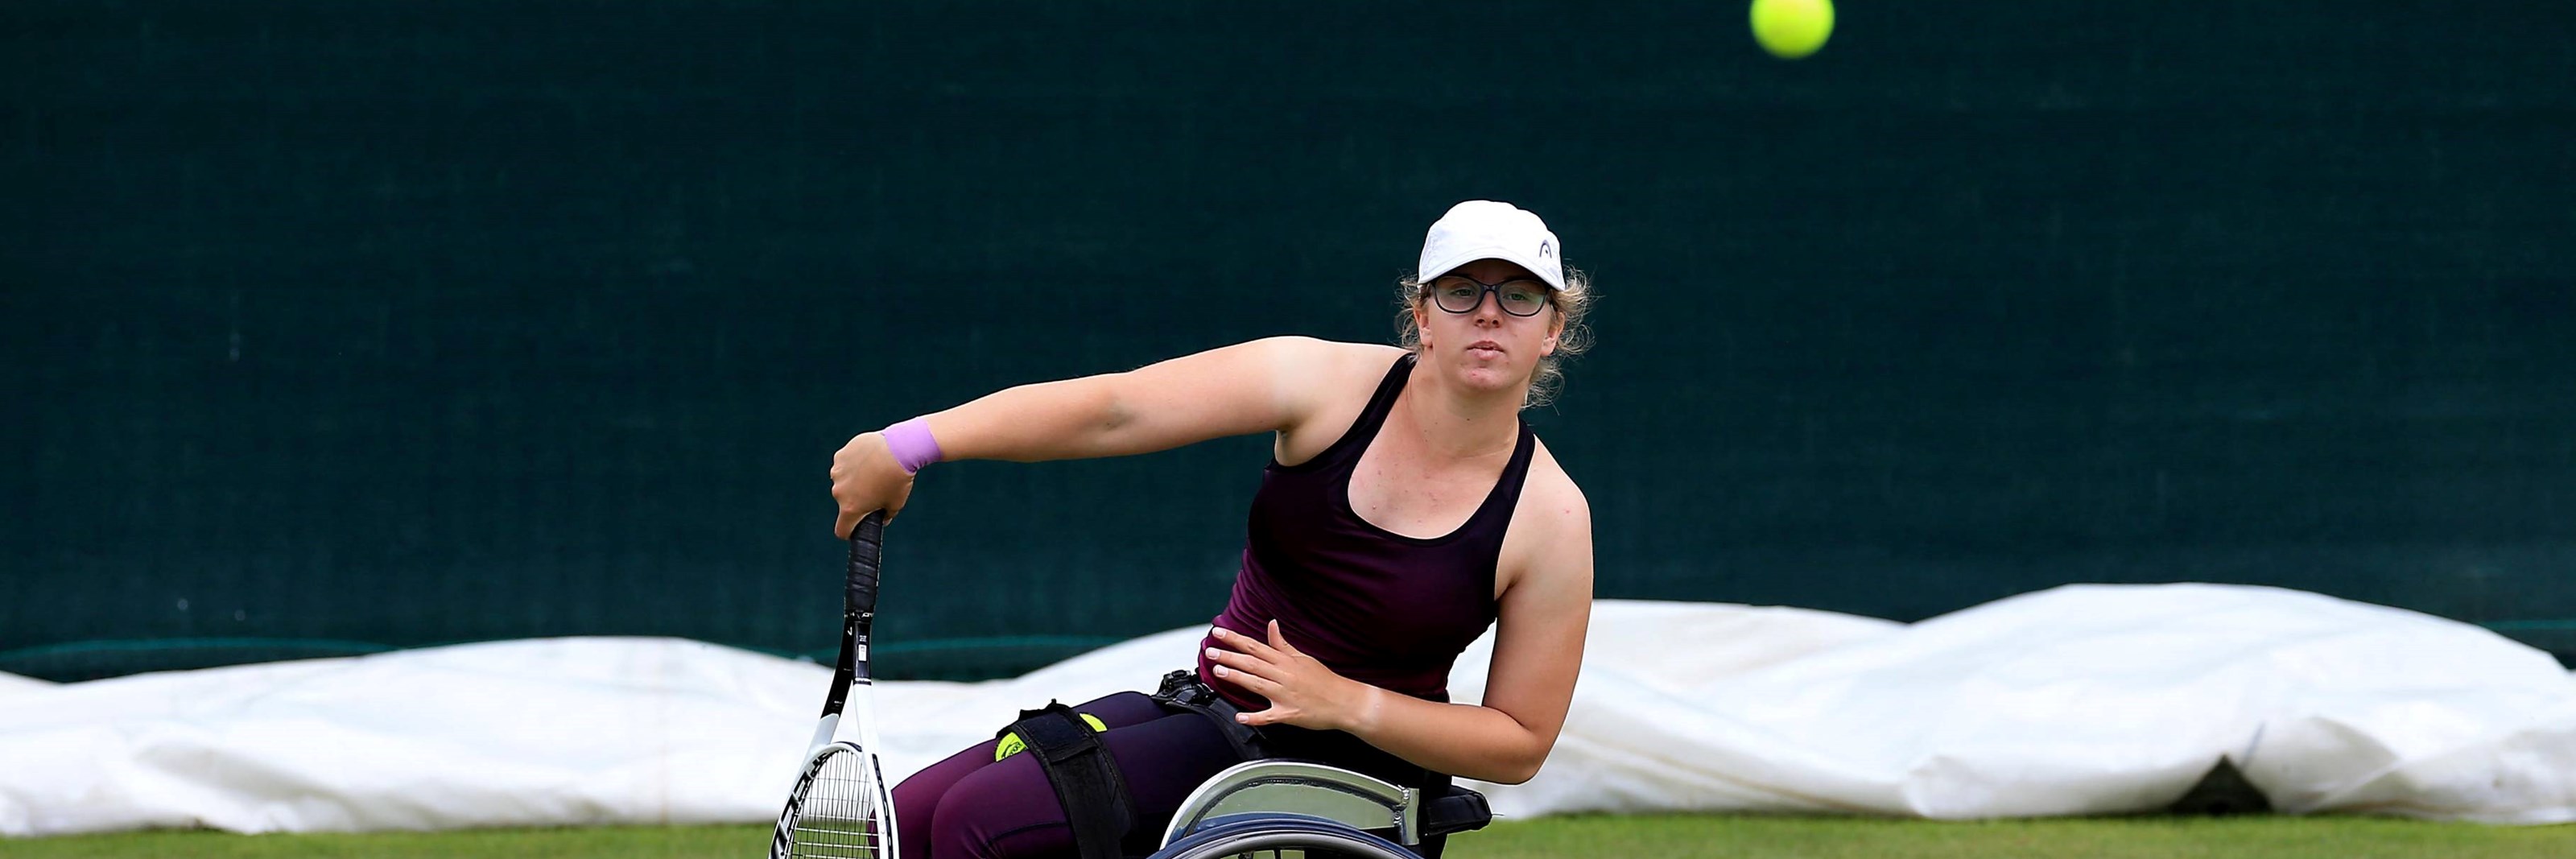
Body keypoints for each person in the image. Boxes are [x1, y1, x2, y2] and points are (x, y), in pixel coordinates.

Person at [828, 200, 1596, 859]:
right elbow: (1117, 407)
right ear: (1423, 315)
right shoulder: (1321, 385)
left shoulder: (1551, 517)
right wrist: (910, 444)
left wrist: (1344, 701)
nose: (1490, 312)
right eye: (1463, 291)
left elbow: (1520, 741)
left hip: (1353, 773)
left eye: (1521, 296)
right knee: (902, 820)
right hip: (1210, 711)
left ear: (1553, 328)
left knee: (978, 825)